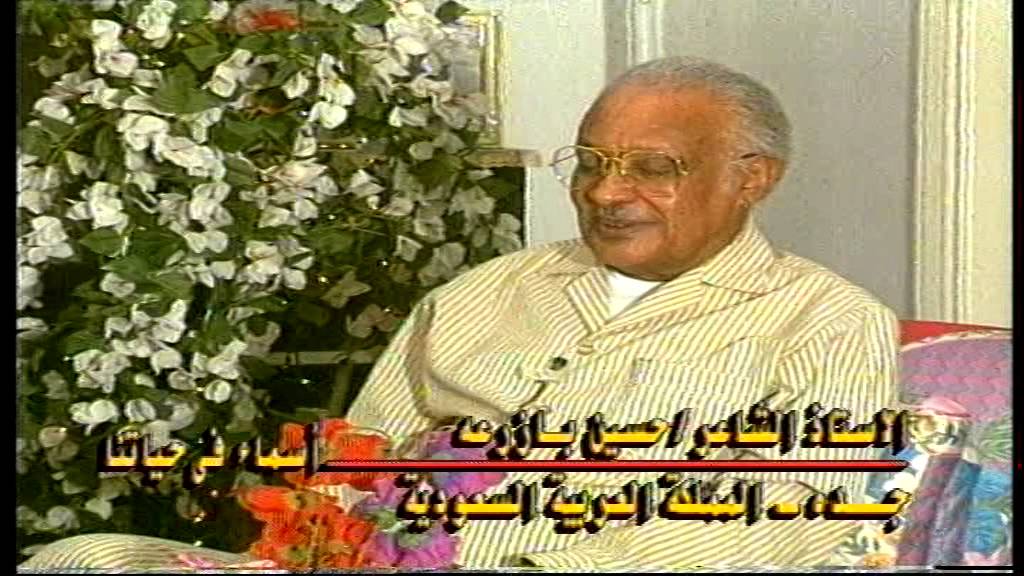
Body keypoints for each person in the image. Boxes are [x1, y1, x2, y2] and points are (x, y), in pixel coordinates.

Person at [19, 56, 899, 570]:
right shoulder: (487, 289)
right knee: (79, 559)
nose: (605, 192)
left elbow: (801, 513)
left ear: (752, 179)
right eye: (591, 162)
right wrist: (325, 534)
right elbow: (361, 452)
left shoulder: (824, 319)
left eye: (651, 168)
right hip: (381, 559)